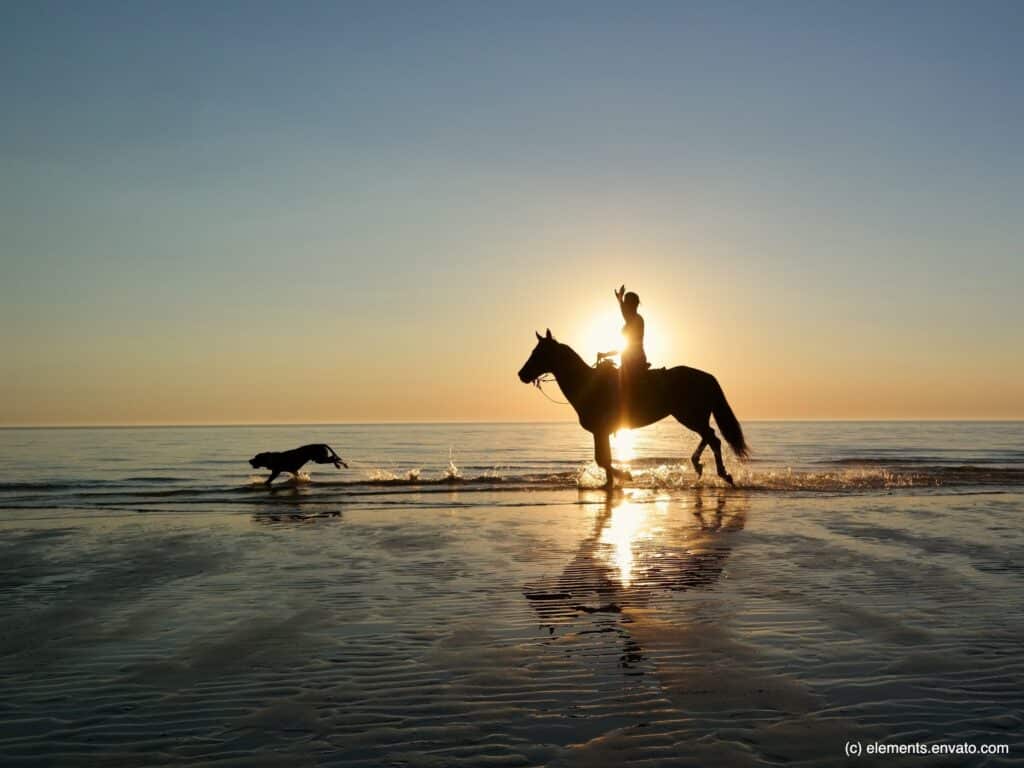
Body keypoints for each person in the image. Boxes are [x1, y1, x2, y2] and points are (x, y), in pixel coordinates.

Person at [597, 285, 649, 375]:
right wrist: (606, 354)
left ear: (631, 305)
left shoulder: (636, 319)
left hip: (634, 363)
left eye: (627, 303)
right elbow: (624, 348)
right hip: (628, 362)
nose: (625, 305)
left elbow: (628, 348)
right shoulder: (633, 320)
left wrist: (620, 299)